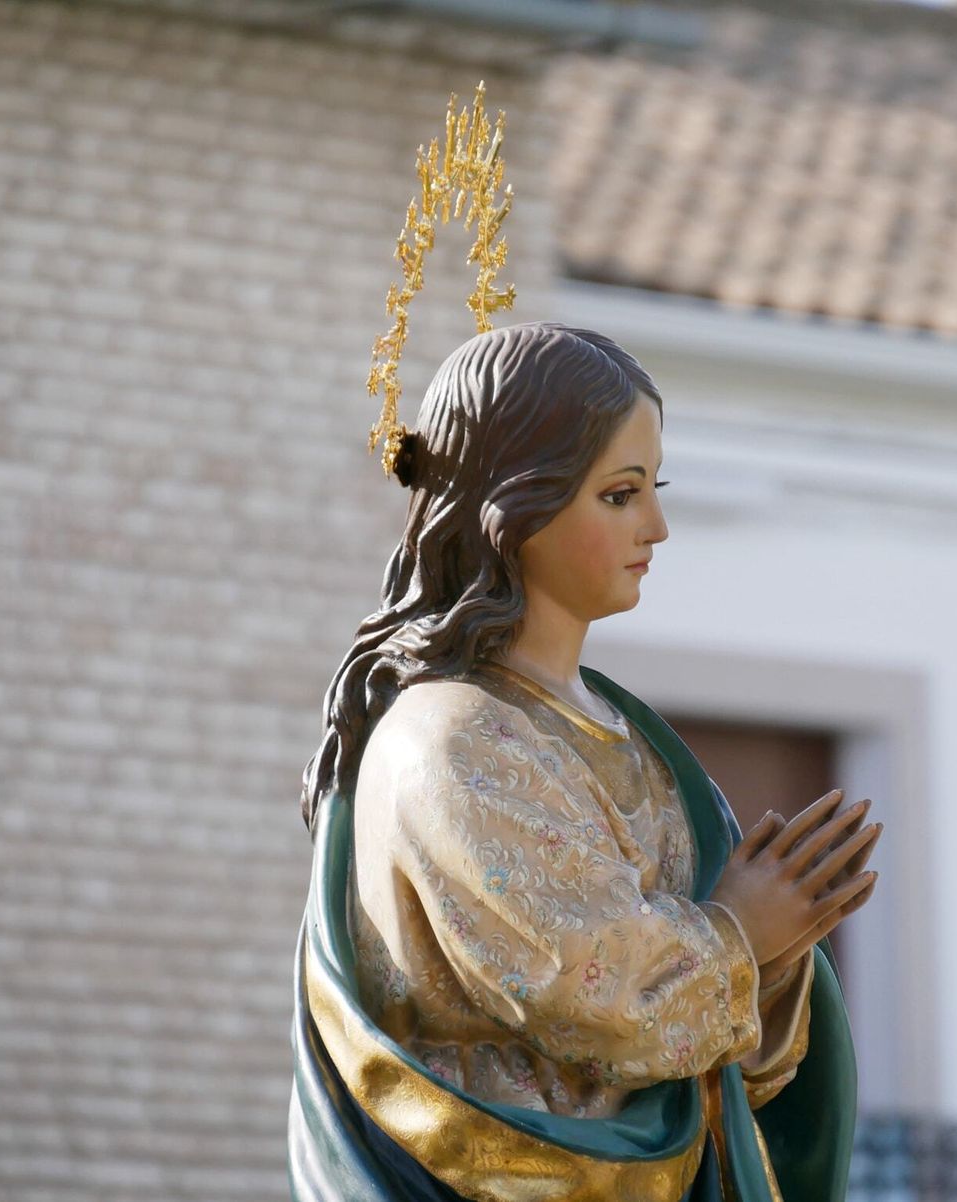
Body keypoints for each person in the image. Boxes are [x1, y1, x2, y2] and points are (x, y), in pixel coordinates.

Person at [289, 321, 882, 1201]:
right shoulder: (450, 740)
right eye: (619, 495)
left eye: (655, 488)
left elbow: (710, 1064)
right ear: (515, 505)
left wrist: (780, 956)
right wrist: (739, 936)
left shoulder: (629, 737)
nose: (658, 526)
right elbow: (584, 989)